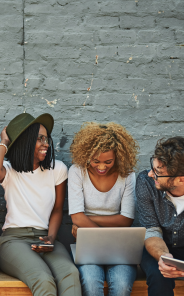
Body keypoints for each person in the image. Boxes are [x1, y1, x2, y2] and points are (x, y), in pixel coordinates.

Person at [0, 113, 81, 296]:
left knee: (71, 274)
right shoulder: (10, 171)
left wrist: (51, 238)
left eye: (47, 139)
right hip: (14, 241)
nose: (46, 143)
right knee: (43, 280)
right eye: (39, 139)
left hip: (46, 237)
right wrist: (5, 141)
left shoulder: (57, 169)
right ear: (26, 142)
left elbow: (58, 209)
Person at [68, 122, 139, 296]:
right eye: (95, 161)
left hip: (119, 246)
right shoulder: (77, 172)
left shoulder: (127, 174)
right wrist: (83, 221)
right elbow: (76, 217)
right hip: (88, 246)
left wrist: (87, 221)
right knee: (91, 285)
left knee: (122, 285)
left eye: (108, 162)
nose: (101, 167)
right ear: (86, 155)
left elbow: (126, 219)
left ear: (118, 156)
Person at [136, 136, 184, 296]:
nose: (150, 174)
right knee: (159, 275)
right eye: (153, 167)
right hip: (158, 246)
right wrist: (164, 257)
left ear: (180, 179)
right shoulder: (146, 183)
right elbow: (151, 229)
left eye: (158, 172)